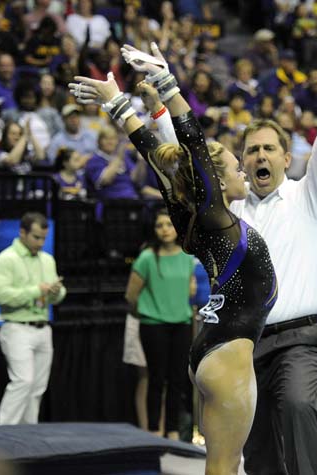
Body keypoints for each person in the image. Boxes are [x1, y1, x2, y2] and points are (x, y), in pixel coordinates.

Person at [69, 41, 279, 475]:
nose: (243, 169)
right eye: (234, 166)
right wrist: (167, 85)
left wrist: (117, 103)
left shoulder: (192, 216)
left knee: (225, 466)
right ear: (215, 180)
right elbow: (192, 142)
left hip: (211, 351)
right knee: (223, 467)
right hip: (228, 355)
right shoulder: (216, 218)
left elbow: (155, 151)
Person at [231, 55, 317, 473]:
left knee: (299, 407)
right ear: (243, 162)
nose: (260, 156)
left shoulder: (311, 197)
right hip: (244, 345)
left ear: (287, 158)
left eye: (269, 148)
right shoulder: (231, 213)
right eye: (252, 150)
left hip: (298, 340)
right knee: (259, 446)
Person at [124, 209, 196, 439]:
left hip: (182, 324)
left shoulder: (187, 256)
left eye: (169, 224)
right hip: (153, 325)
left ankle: (173, 431)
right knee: (156, 379)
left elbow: (190, 289)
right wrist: (148, 312)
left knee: (177, 380)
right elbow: (131, 295)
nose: (164, 229)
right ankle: (154, 430)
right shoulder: (146, 257)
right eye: (159, 225)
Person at [0, 212, 66, 425]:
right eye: (36, 237)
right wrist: (36, 290)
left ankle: (28, 437)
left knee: (37, 388)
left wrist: (56, 292)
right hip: (16, 327)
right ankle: (4, 434)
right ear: (22, 233)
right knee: (23, 381)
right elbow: (1, 295)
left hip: (44, 328)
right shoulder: (6, 259)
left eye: (44, 238)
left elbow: (57, 297)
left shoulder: (47, 259)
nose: (41, 243)